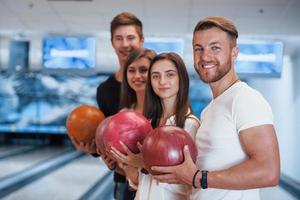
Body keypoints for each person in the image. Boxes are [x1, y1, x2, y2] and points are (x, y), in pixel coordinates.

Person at [151, 16, 280, 200]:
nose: (205, 56)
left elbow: (268, 171)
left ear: (234, 53)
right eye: (198, 49)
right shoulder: (209, 110)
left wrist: (198, 178)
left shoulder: (245, 98)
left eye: (215, 48)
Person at [71, 12, 144, 200]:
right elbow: (104, 139)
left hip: (156, 176)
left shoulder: (155, 83)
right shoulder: (105, 90)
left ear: (141, 40)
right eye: (119, 38)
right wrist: (93, 149)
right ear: (112, 43)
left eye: (130, 37)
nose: (125, 44)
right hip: (123, 178)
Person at [113, 52, 200, 200]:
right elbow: (141, 183)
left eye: (170, 74)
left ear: (182, 79)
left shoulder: (190, 125)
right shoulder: (148, 123)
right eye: (155, 76)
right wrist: (129, 167)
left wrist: (145, 164)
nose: (162, 81)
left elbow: (192, 182)